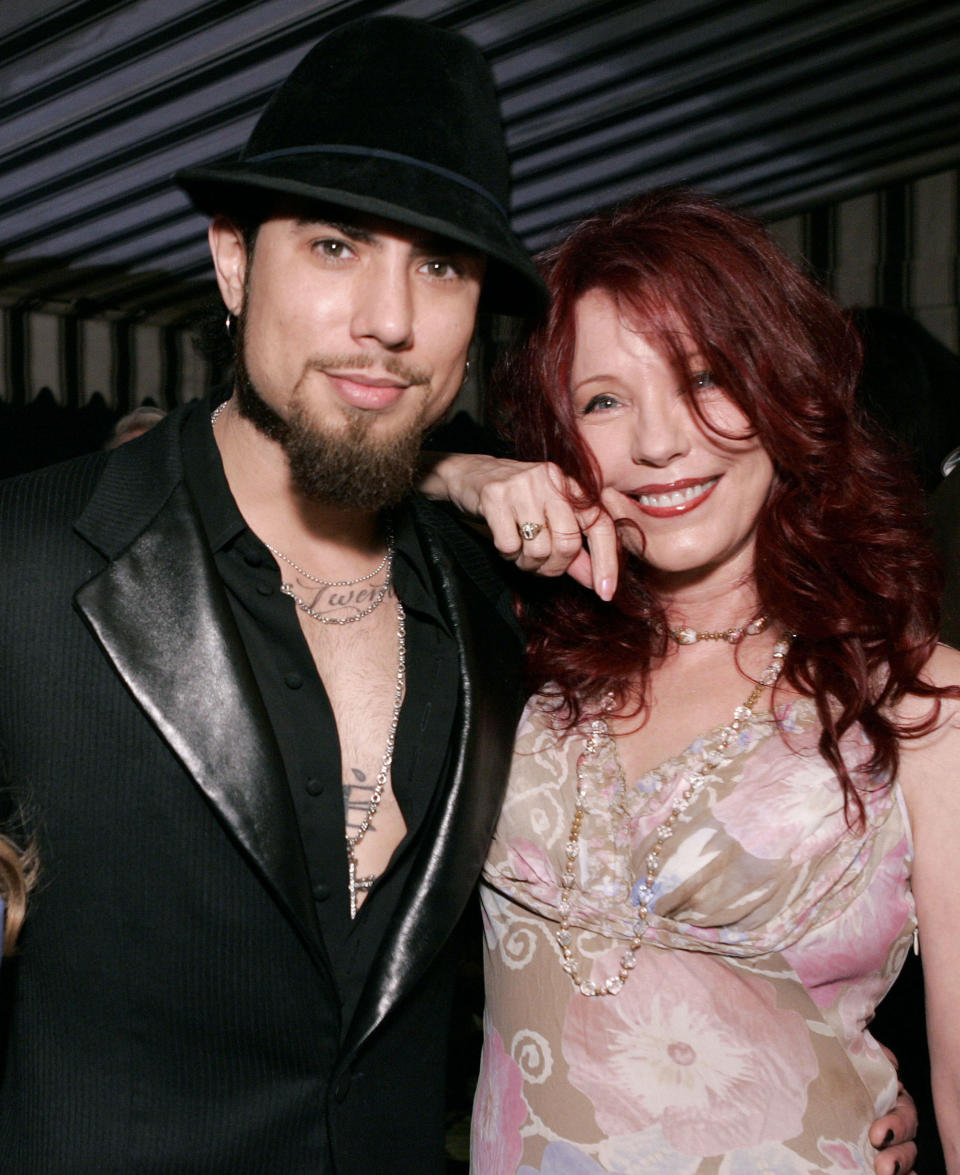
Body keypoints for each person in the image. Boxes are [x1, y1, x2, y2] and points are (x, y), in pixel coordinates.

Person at [0, 17, 545, 1174]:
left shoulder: (501, 602)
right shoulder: (28, 557)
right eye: (338, 246)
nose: (390, 319)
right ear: (235, 261)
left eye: (440, 264)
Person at [423, 189, 957, 1174]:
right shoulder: (520, 649)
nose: (659, 440)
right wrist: (459, 474)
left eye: (706, 377)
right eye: (604, 399)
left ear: (781, 387)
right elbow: (291, 470)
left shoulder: (924, 706)